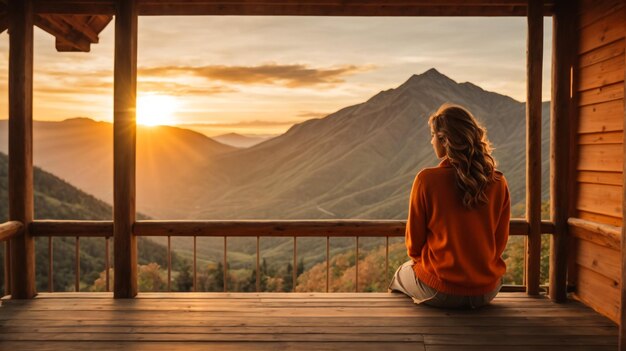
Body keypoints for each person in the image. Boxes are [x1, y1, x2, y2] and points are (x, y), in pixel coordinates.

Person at [388, 103, 510, 309]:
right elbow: (499, 243)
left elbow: (414, 246)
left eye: (433, 135)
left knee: (400, 274)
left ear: (444, 140)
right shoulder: (498, 182)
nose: (431, 140)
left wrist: (431, 264)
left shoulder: (427, 180)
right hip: (487, 291)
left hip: (441, 291)